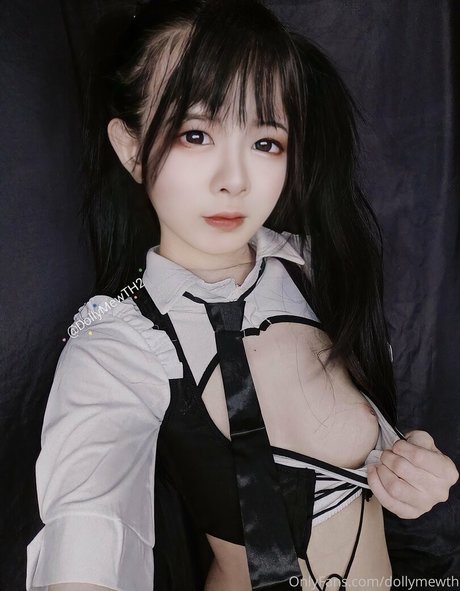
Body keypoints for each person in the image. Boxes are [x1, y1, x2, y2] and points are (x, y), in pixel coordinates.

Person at [26, 1, 458, 590]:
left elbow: (369, 443)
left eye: (265, 142)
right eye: (196, 135)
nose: (235, 179)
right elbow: (86, 534)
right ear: (131, 148)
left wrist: (409, 468)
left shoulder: (317, 270)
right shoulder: (118, 345)